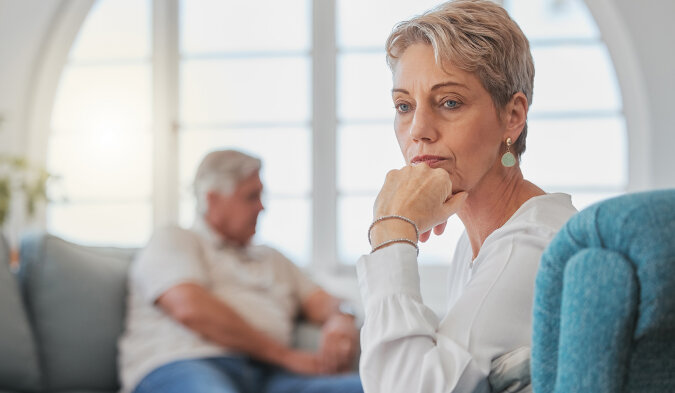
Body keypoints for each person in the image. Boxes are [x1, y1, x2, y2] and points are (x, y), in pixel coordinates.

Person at [356, 1, 578, 392]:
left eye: (450, 102)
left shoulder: (529, 248)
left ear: (512, 116)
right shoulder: (478, 243)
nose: (419, 130)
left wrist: (392, 232)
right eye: (404, 106)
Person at [118, 150, 363, 393]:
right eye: (251, 197)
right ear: (212, 200)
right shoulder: (175, 239)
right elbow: (189, 308)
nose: (262, 208)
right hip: (186, 365)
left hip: (269, 377)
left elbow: (322, 300)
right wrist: (285, 356)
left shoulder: (272, 258)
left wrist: (341, 318)